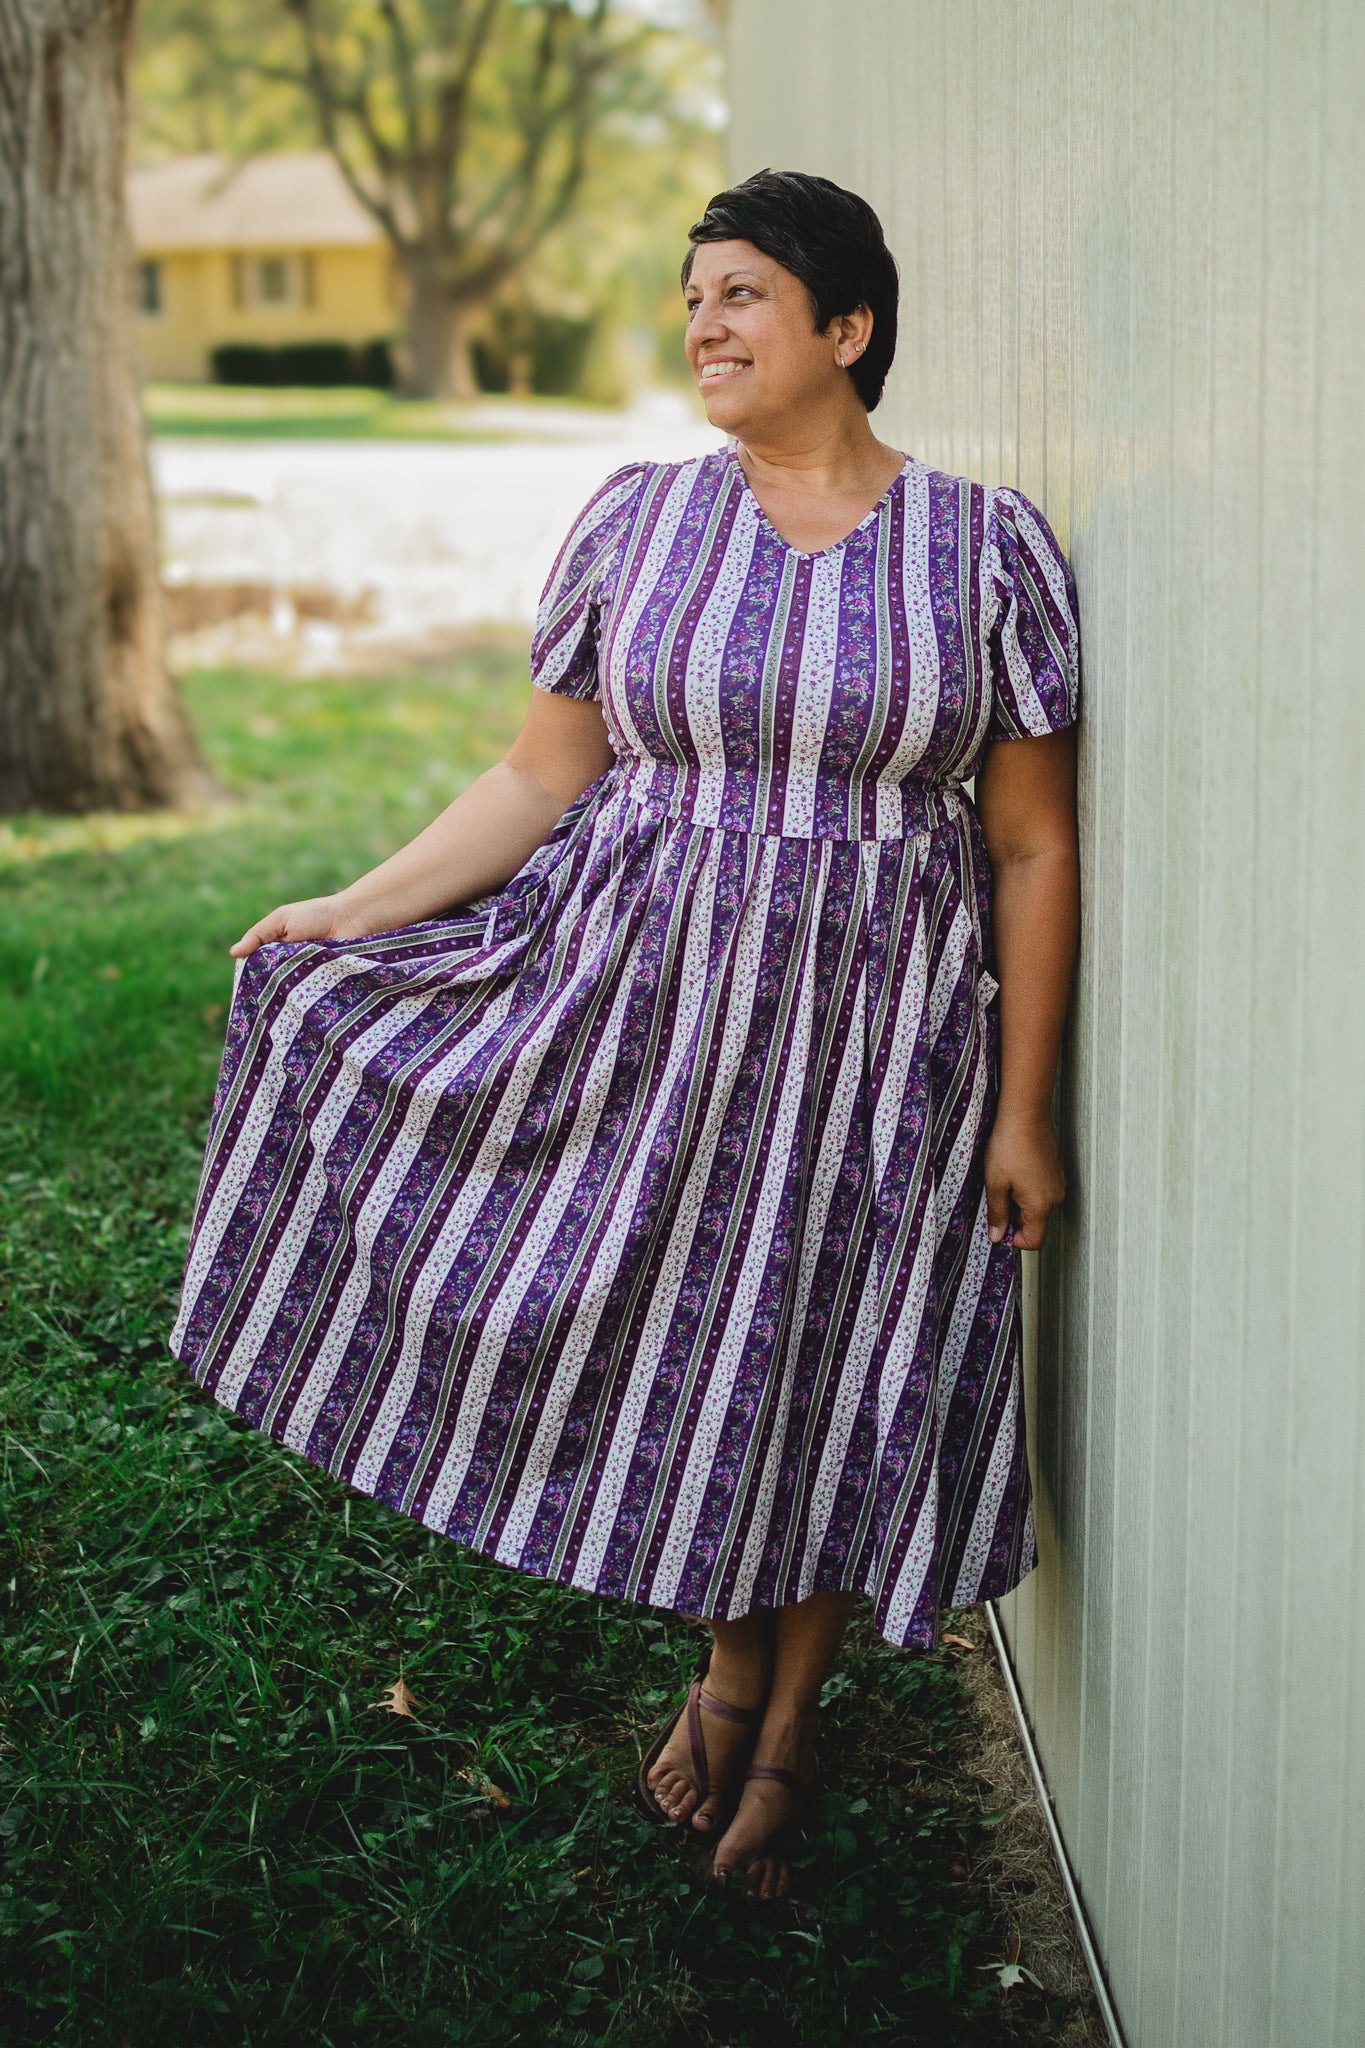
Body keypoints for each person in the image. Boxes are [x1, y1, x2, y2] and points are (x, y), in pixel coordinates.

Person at [170, 169, 1081, 1903]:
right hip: (637, 1002)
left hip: (881, 1031)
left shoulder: (985, 548)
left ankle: (789, 1711)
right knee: (689, 1327)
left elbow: (1033, 842)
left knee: (832, 1340)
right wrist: (351, 912)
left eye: (740, 294)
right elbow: (540, 771)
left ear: (846, 328)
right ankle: (726, 1661)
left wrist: (1019, 1107)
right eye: (693, 300)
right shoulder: (638, 521)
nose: (704, 328)